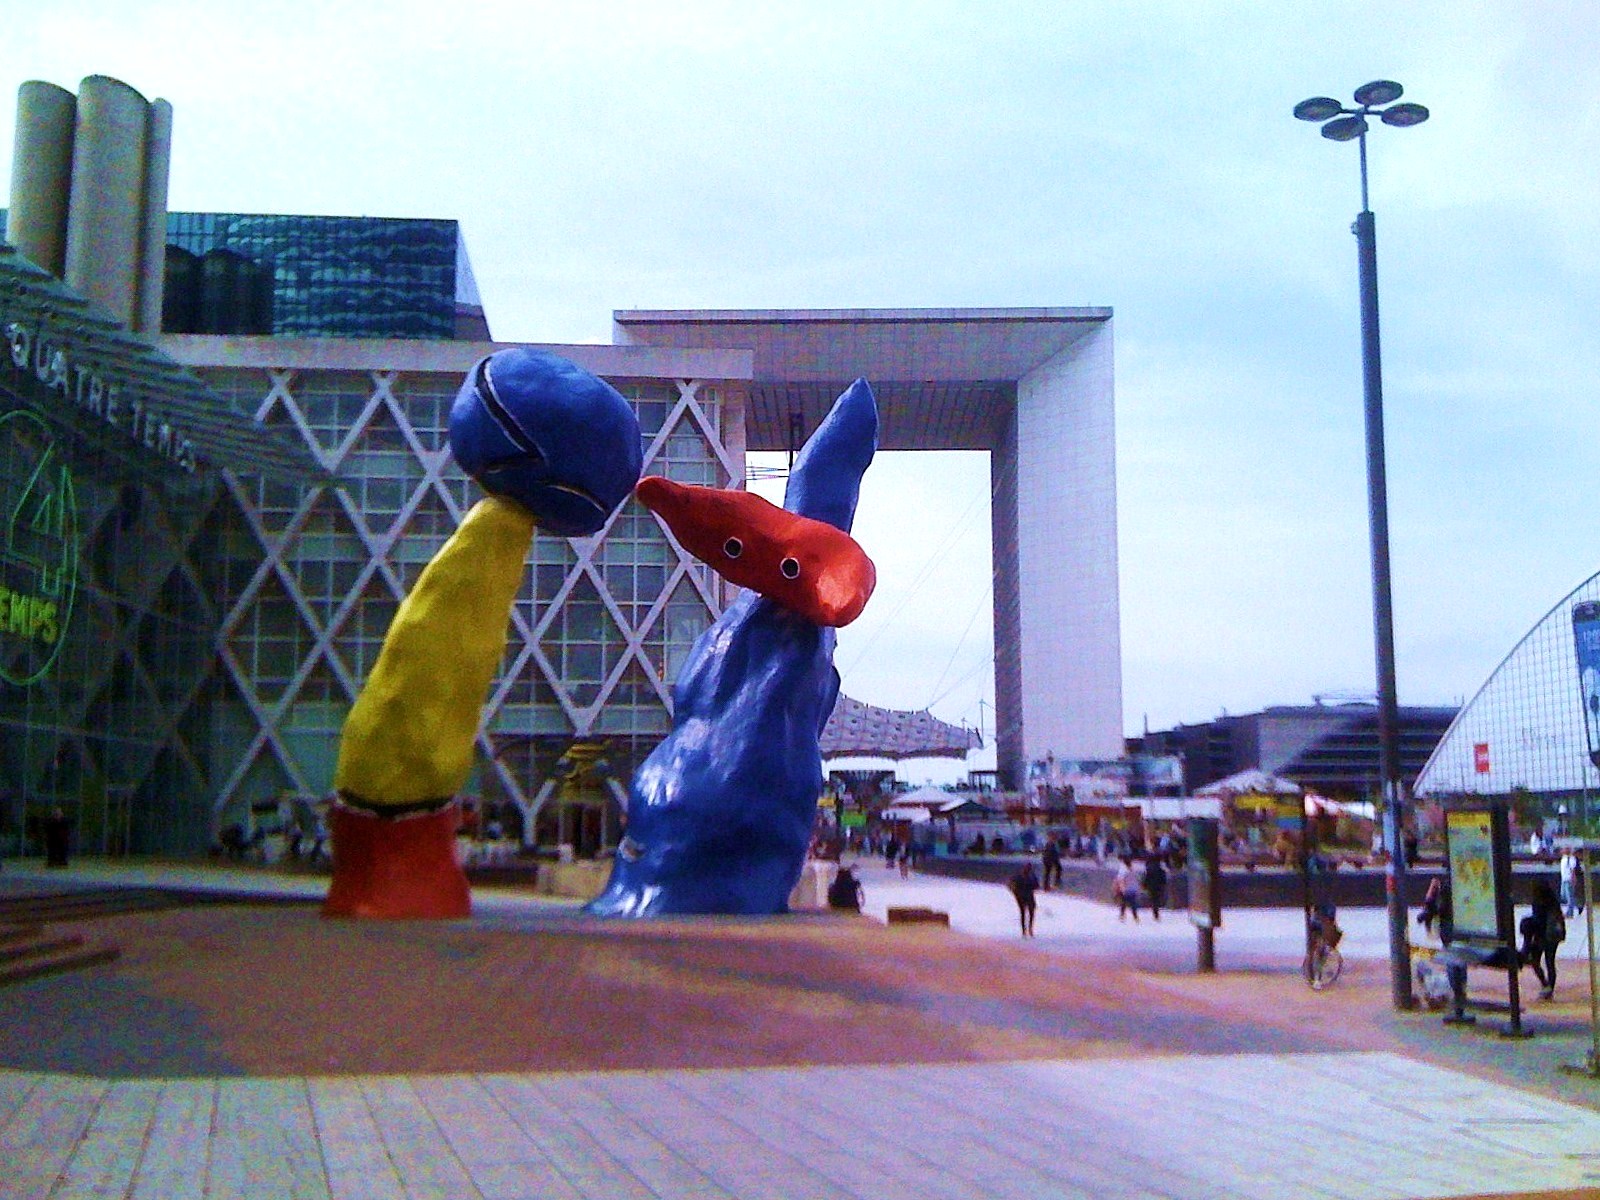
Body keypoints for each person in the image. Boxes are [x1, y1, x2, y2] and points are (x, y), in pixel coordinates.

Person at [1521, 880, 1565, 1000]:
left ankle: (1545, 984)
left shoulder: (1538, 903)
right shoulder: (1553, 902)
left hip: (1541, 937)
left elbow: (1538, 921)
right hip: (1552, 937)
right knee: (1550, 962)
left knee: (1535, 961)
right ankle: (1550, 987)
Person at [1008, 861, 1039, 936]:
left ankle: (1029, 929)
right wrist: (1016, 893)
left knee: (1030, 912)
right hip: (1021, 896)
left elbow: (1036, 886)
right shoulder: (1019, 876)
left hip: (1029, 895)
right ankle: (1025, 930)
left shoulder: (1031, 876)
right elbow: (1011, 885)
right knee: (1024, 912)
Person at [1113, 855, 1142, 922]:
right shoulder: (1133, 870)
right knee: (1133, 903)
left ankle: (1122, 915)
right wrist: (1138, 888)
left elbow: (1120, 880)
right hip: (1133, 889)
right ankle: (1135, 917)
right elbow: (1137, 879)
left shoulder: (1123, 870)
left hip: (1126, 889)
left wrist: (1122, 889)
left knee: (1124, 903)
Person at [1143, 852, 1167, 921]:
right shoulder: (1160, 867)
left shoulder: (1149, 867)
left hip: (1151, 886)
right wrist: (1163, 884)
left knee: (1153, 899)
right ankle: (1156, 912)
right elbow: (1163, 876)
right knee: (1157, 899)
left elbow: (1147, 877)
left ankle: (1155, 912)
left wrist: (1145, 885)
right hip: (1158, 885)